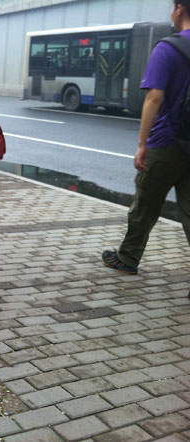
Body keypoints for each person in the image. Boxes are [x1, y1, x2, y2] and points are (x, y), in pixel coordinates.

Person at [102, 0, 190, 282]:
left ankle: (128, 258)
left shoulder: (168, 47)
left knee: (145, 205)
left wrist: (142, 144)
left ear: (179, 9)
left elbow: (154, 96)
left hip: (165, 142)